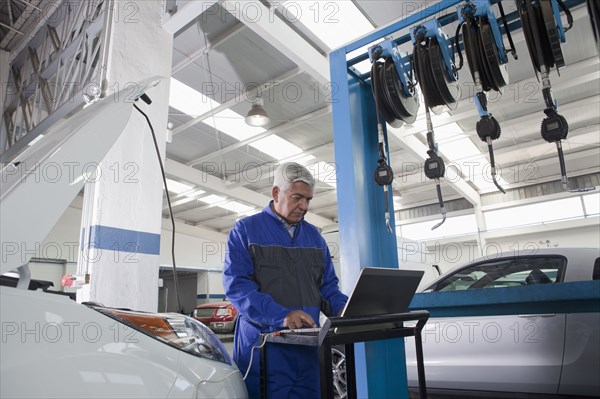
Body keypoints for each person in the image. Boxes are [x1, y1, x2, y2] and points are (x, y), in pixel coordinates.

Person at [223, 162, 348, 398]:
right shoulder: (246, 230)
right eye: (297, 197)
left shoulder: (315, 237)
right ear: (276, 193)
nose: (304, 206)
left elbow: (327, 287)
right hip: (264, 349)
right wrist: (281, 315)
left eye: (308, 199)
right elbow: (237, 286)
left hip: (308, 349)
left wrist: (343, 308)